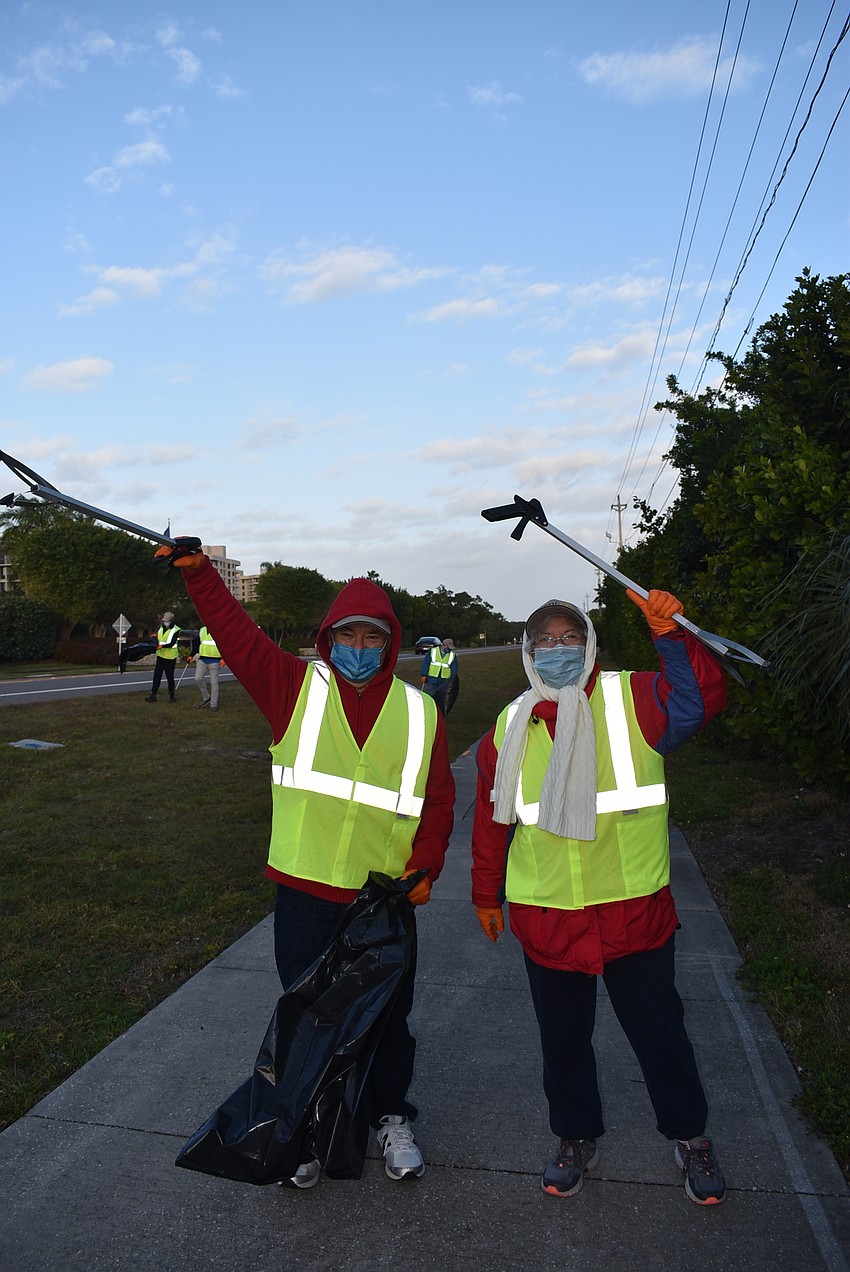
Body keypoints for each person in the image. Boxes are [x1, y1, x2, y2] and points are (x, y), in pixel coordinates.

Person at [157, 539, 455, 1187]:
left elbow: (438, 801)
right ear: (328, 637)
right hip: (304, 895)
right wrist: (203, 577)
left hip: (383, 900)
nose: (358, 647)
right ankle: (313, 1135)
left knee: (388, 1018)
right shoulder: (294, 687)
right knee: (309, 1019)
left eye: (371, 637)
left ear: (389, 642)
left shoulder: (419, 710)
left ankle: (391, 1118)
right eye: (346, 634)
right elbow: (236, 637)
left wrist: (425, 866)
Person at [471, 588, 729, 1206]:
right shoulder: (510, 726)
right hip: (549, 915)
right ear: (529, 654)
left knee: (661, 1035)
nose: (558, 651)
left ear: (591, 647)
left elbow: (698, 703)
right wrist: (486, 892)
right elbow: (491, 819)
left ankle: (690, 1137)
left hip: (631, 910)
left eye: (570, 639)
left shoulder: (632, 698)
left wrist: (672, 634)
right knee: (563, 1042)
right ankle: (574, 1137)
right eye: (545, 642)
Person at [145, 611, 181, 703]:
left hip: (170, 657)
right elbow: (159, 639)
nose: (165, 622)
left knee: (169, 677)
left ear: (172, 621)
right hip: (160, 655)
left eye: (167, 621)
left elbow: (172, 643)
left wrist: (162, 646)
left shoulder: (176, 630)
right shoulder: (161, 629)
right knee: (157, 676)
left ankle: (172, 697)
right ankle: (153, 695)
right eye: (164, 620)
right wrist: (154, 637)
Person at [420, 637, 459, 716]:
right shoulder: (433, 652)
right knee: (429, 697)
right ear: (444, 645)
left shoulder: (452, 655)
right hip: (431, 679)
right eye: (448, 647)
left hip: (444, 681)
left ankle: (438, 714)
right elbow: (426, 663)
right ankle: (428, 713)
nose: (449, 649)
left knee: (441, 699)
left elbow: (454, 668)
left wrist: (452, 679)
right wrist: (424, 674)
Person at [193, 624, 223, 710]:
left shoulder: (219, 630)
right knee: (197, 679)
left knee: (214, 683)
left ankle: (213, 705)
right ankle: (206, 697)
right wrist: (192, 655)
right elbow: (197, 643)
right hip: (202, 659)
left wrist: (224, 658)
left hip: (215, 660)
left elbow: (225, 644)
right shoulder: (202, 630)